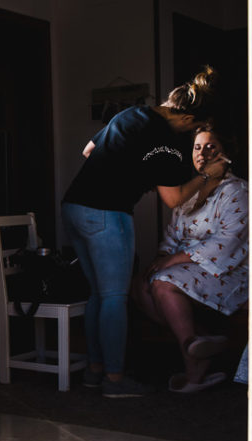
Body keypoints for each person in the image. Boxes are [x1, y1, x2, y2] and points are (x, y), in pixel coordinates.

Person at [61, 66, 229, 398]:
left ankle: (95, 373)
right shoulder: (163, 139)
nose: (190, 134)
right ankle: (114, 379)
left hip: (74, 206)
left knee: (98, 294)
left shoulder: (132, 113)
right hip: (107, 212)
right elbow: (175, 198)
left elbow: (90, 151)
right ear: (187, 119)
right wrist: (210, 175)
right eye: (194, 128)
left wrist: (135, 171)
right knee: (114, 297)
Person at [132, 125, 248, 392]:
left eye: (211, 147)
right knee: (140, 284)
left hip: (228, 271)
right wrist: (163, 256)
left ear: (226, 154)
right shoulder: (189, 194)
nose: (203, 153)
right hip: (185, 268)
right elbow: (172, 235)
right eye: (197, 147)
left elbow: (228, 242)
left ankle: (194, 370)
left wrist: (172, 261)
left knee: (162, 282)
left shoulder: (238, 191)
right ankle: (201, 340)